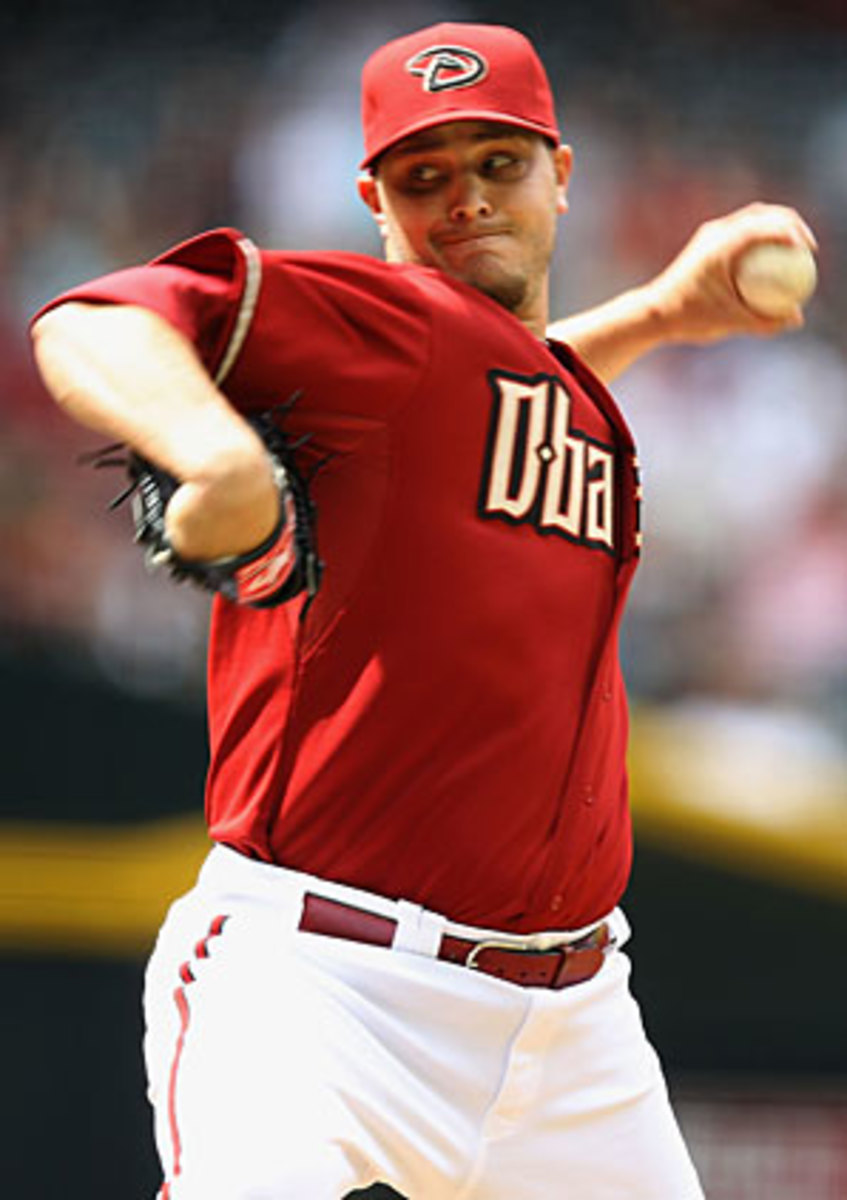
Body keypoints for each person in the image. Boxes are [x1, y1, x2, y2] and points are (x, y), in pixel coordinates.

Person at [31, 21, 815, 1200]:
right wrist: (214, 454)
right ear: (374, 202)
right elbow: (91, 319)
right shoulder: (380, 323)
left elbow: (507, 389)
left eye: (498, 164)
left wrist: (657, 312)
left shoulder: (524, 392)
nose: (466, 199)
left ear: (560, 172)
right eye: (423, 176)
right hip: (321, 989)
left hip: (575, 1029)